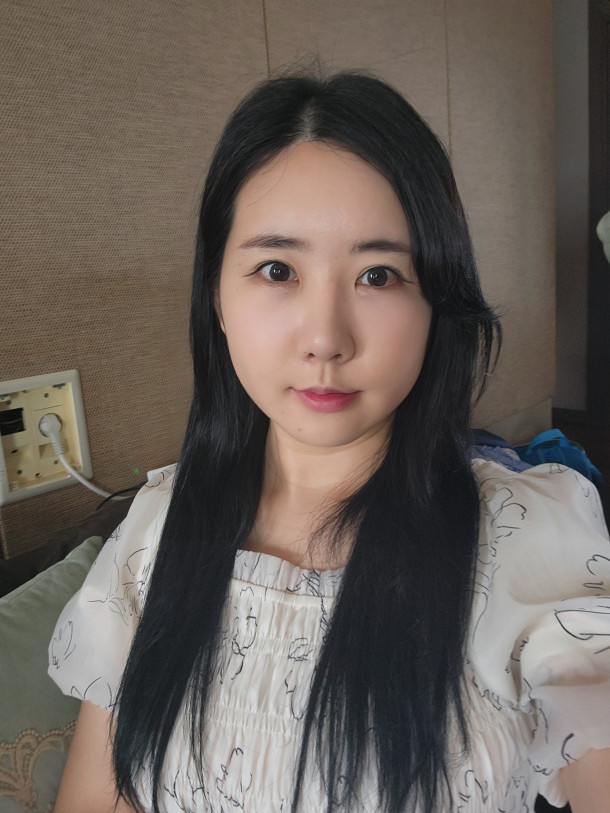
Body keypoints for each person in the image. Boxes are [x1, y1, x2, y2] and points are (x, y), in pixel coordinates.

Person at [49, 73, 610, 813]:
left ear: (435, 301)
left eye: (378, 275)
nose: (325, 338)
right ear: (216, 296)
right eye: (277, 270)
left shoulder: (532, 540)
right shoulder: (155, 529)